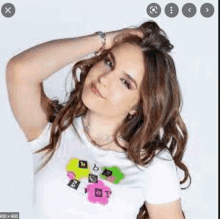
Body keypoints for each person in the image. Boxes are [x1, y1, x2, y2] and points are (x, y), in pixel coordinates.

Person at [5, 20, 191, 219]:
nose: (104, 78)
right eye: (109, 62)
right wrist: (105, 39)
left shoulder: (153, 163)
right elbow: (20, 70)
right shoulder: (53, 130)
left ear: (138, 107)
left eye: (125, 82)